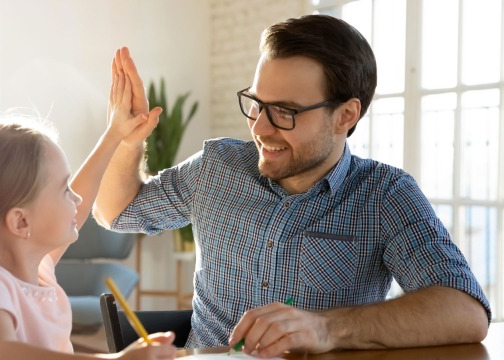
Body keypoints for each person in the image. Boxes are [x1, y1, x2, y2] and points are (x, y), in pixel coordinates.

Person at [91, 15, 491, 358]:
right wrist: (128, 140)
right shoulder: (216, 168)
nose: (261, 129)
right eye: (257, 103)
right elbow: (116, 212)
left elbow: (465, 312)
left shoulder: (385, 195)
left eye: (286, 112)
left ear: (345, 115)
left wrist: (325, 329)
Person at [0, 71, 176, 360]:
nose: (77, 199)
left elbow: (81, 200)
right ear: (21, 222)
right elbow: (2, 352)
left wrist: (115, 134)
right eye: (64, 189)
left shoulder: (40, 273)